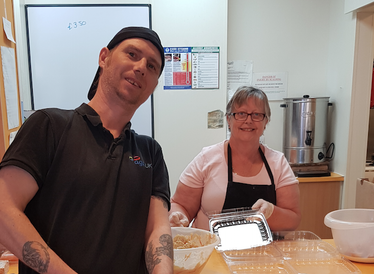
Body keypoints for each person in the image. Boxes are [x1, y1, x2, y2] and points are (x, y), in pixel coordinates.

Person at [0, 27, 173, 274]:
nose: (142, 67)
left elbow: (157, 229)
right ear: (104, 57)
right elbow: (3, 209)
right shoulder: (49, 126)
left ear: (154, 85)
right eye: (132, 54)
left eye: (153, 66)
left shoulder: (150, 152)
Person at [169, 86, 301, 231]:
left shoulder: (278, 163)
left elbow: (293, 219)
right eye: (241, 113)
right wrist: (177, 216)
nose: (248, 120)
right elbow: (180, 204)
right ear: (229, 120)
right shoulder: (207, 159)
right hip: (211, 250)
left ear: (266, 122)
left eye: (257, 114)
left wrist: (271, 212)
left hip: (262, 252)